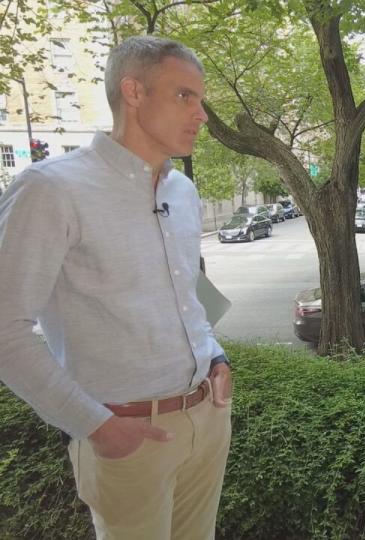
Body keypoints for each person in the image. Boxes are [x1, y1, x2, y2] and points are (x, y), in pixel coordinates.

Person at [0, 36, 232, 539]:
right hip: (128, 436)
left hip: (206, 419)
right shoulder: (51, 189)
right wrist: (95, 426)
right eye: (184, 96)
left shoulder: (182, 189)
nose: (202, 114)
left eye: (200, 98)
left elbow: (185, 291)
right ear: (133, 92)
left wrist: (216, 357)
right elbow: (5, 332)